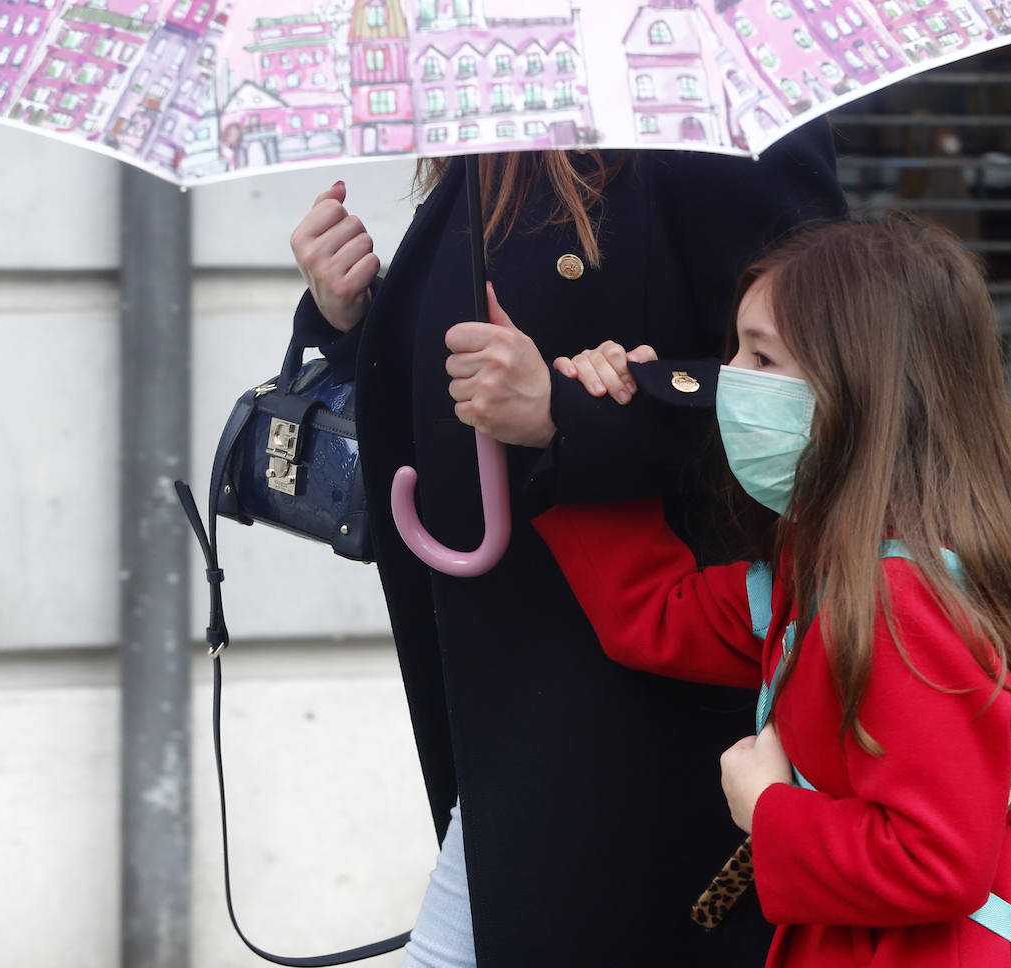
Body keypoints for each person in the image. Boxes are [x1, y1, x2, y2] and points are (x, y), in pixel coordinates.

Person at [287, 130, 847, 967]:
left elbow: (822, 385)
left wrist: (566, 415)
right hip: (511, 672)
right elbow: (463, 368)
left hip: (643, 682)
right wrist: (347, 314)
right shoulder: (491, 147)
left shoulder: (700, 131)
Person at [532, 214, 1011, 967]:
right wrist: (587, 432)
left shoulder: (898, 598)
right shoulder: (838, 570)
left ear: (867, 386)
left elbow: (935, 860)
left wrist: (766, 809)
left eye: (765, 356)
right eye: (739, 349)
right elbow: (658, 615)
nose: (734, 380)